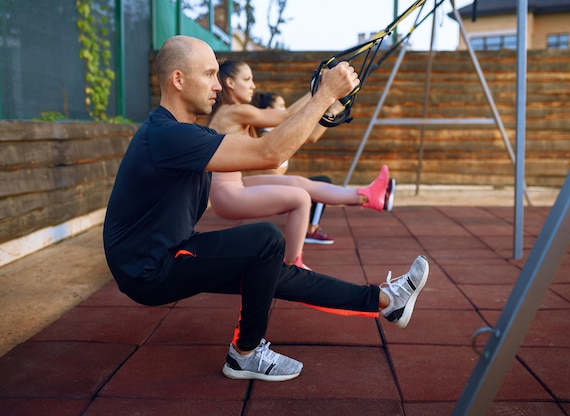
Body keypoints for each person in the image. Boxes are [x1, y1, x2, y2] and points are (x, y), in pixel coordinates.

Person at [102, 35, 429, 382]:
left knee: (273, 267)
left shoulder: (188, 134)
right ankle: (245, 354)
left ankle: (384, 302)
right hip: (148, 269)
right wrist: (325, 95)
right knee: (266, 240)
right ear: (178, 80)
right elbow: (270, 153)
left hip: (168, 251)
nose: (217, 85)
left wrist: (322, 99)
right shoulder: (168, 136)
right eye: (209, 74)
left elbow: (275, 144)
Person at [206, 59, 396, 269]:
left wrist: (329, 96)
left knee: (299, 182)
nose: (253, 85)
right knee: (301, 198)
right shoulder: (233, 111)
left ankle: (368, 196)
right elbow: (287, 115)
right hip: (227, 195)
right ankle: (292, 265)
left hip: (234, 186)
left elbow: (304, 131)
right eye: (247, 79)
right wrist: (323, 86)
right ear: (230, 83)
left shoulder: (236, 113)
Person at [251, 91, 335, 245]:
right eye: (282, 105)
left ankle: (306, 228)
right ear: (270, 110)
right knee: (323, 183)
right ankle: (311, 230)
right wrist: (321, 92)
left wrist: (332, 112)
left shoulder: (275, 133)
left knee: (319, 184)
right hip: (270, 195)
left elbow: (311, 136)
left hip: (277, 190)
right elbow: (310, 136)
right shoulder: (267, 137)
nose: (286, 108)